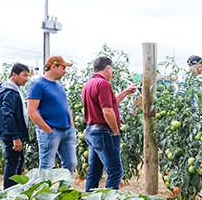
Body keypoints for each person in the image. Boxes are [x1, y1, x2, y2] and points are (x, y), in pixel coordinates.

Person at [81, 56, 139, 191]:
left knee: (94, 173)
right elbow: (107, 112)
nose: (112, 74)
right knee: (115, 172)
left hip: (91, 131)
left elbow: (111, 104)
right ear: (107, 69)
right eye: (111, 71)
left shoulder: (89, 83)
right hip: (103, 132)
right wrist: (115, 131)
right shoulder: (104, 84)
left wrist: (125, 92)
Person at [27, 56, 77, 174]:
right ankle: (42, 191)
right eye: (63, 68)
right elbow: (31, 110)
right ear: (53, 67)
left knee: (71, 164)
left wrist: (72, 126)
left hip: (67, 130)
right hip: (51, 131)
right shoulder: (38, 85)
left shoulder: (59, 86)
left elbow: (66, 106)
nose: (65, 71)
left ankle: (64, 191)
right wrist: (47, 130)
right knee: (46, 167)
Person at [0, 63, 31, 189]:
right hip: (11, 135)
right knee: (13, 162)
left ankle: (14, 189)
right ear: (14, 75)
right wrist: (15, 137)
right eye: (24, 75)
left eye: (28, 76)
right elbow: (8, 115)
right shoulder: (10, 91)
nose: (27, 78)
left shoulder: (12, 90)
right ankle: (9, 192)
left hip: (11, 133)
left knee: (18, 161)